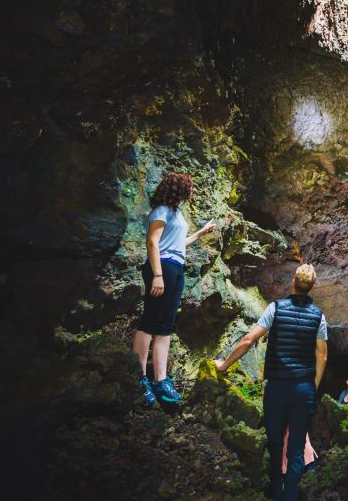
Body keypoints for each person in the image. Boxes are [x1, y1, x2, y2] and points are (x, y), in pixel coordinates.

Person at [214, 264, 328, 501]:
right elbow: (322, 355)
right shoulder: (319, 316)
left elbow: (248, 340)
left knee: (275, 446)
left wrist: (224, 365)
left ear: (293, 282)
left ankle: (276, 494)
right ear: (312, 288)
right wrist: (313, 385)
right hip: (303, 387)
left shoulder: (275, 308)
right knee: (296, 450)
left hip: (277, 387)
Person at [133, 171, 215, 405]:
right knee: (150, 322)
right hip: (163, 267)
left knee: (166, 326)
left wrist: (201, 232)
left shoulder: (176, 213)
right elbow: (152, 242)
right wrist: (158, 275)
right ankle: (139, 378)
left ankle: (161, 380)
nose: (193, 190)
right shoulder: (161, 211)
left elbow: (180, 243)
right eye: (190, 186)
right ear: (179, 188)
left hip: (176, 267)